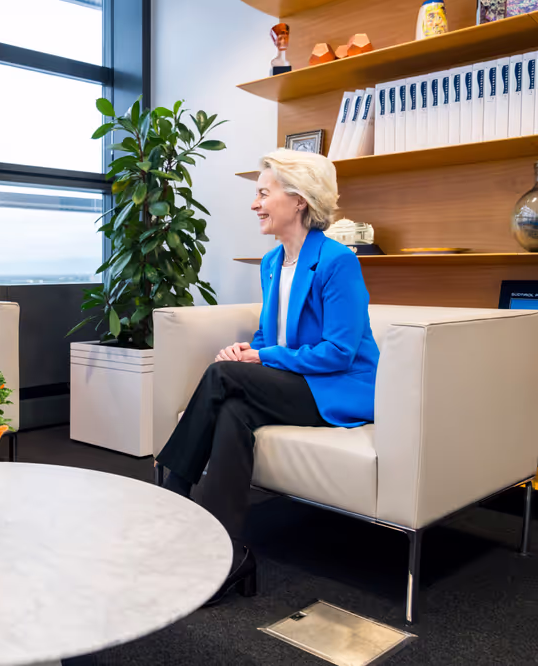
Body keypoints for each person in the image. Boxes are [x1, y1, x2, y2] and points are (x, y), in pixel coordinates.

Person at [155, 149, 379, 606]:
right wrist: (250, 350)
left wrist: (258, 358)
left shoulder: (337, 262)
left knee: (222, 377)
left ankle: (169, 494)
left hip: (338, 388)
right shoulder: (273, 262)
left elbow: (340, 351)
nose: (255, 203)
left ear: (298, 200)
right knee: (233, 409)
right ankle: (227, 554)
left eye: (263, 193)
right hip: (295, 380)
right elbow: (267, 334)